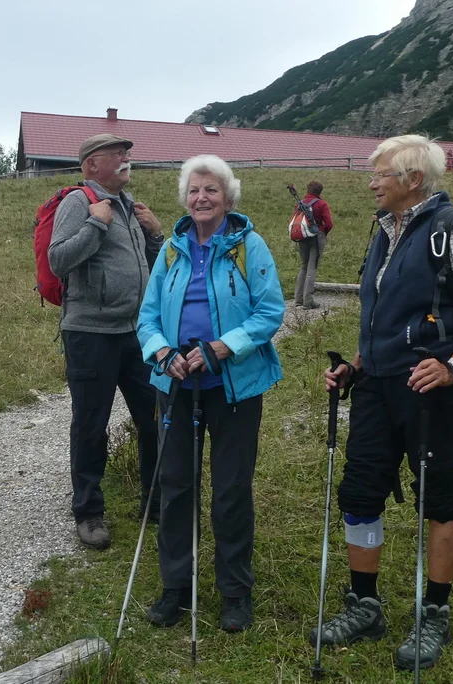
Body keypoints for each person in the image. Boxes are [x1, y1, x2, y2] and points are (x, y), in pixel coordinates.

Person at [311, 136, 453, 670]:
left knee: (439, 499)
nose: (372, 183)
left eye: (381, 174)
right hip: (376, 386)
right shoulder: (383, 230)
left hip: (430, 391)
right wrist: (355, 366)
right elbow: (382, 317)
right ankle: (364, 605)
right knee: (360, 491)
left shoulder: (452, 229)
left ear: (413, 179)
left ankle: (435, 613)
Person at [137, 155, 285, 632]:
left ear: (228, 198)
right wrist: (163, 352)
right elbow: (147, 317)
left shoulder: (249, 246)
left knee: (231, 489)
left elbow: (269, 312)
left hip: (234, 388)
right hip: (177, 385)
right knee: (176, 485)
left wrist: (222, 347)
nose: (201, 198)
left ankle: (235, 591)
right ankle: (175, 586)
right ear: (185, 198)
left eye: (211, 190)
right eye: (194, 190)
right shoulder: (171, 250)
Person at [47, 134, 165, 550]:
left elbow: (150, 268)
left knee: (154, 416)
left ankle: (156, 501)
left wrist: (155, 235)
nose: (125, 158)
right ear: (91, 164)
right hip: (90, 334)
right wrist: (96, 223)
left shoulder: (129, 205)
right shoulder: (79, 202)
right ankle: (88, 511)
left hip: (137, 333)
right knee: (91, 425)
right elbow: (58, 260)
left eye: (126, 153)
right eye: (117, 153)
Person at [289, 180, 334, 309]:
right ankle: (308, 300)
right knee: (312, 267)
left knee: (304, 266)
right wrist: (323, 233)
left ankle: (298, 299)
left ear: (308, 189)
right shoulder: (321, 204)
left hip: (302, 236)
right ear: (320, 191)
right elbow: (329, 224)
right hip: (316, 237)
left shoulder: (300, 204)